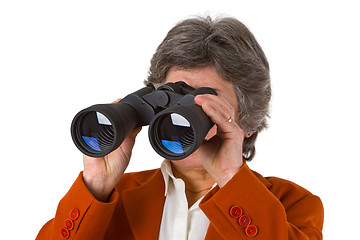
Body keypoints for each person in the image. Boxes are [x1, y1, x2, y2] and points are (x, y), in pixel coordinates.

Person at [36, 16, 324, 240]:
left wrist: (229, 175)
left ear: (247, 121)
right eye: (174, 97)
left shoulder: (293, 204)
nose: (183, 115)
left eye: (206, 102)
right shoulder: (114, 198)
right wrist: (96, 185)